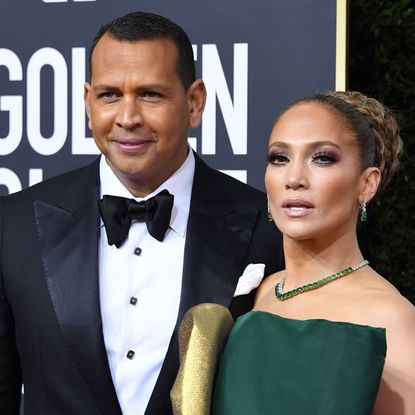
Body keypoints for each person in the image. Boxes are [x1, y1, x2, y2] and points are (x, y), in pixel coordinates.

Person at [0, 11, 283, 415]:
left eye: (150, 94)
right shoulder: (14, 224)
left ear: (194, 102)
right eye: (109, 94)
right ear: (87, 102)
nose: (128, 117)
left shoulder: (268, 229)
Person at [212, 91, 415, 414]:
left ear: (367, 184)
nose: (293, 179)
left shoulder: (391, 319)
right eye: (280, 158)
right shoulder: (258, 290)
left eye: (322, 158)